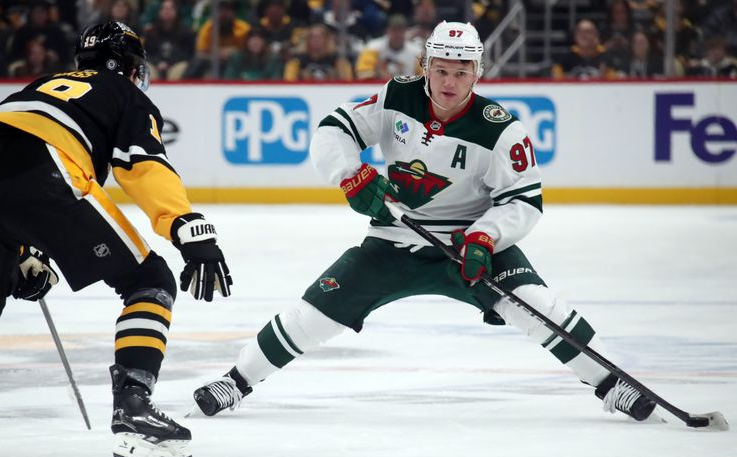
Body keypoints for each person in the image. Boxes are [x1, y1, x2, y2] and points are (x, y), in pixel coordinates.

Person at [190, 21, 659, 425]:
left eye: (461, 72)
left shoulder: (501, 129)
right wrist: (352, 177)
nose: (450, 82)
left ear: (478, 72)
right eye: (441, 70)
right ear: (425, 66)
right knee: (314, 313)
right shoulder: (397, 97)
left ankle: (609, 382)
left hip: (470, 246)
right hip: (393, 239)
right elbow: (334, 129)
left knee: (535, 305)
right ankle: (237, 381)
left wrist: (484, 236)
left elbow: (523, 201)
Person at [0, 21, 233, 457]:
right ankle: (134, 410)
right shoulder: (125, 92)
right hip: (45, 170)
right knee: (148, 279)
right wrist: (186, 226)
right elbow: (144, 164)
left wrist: (19, 252)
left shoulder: (40, 85)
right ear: (130, 66)